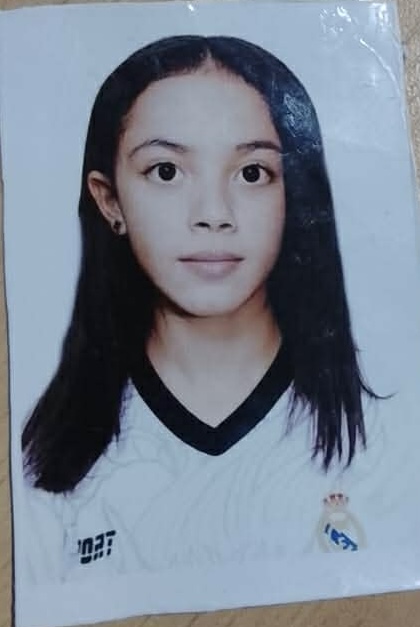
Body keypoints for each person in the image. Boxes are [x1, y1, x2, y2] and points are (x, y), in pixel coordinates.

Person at [21, 35, 378, 581]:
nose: (213, 213)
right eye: (166, 171)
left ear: (294, 196)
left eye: (252, 173)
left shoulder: (390, 439)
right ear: (110, 199)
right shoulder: (44, 470)